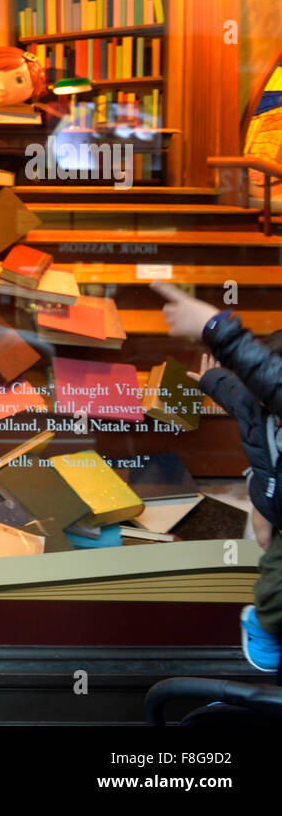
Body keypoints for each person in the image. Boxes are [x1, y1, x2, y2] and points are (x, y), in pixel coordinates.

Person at [153, 281, 282, 674]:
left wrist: (214, 326)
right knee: (273, 586)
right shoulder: (253, 399)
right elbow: (235, 392)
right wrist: (210, 382)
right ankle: (263, 622)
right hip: (273, 496)